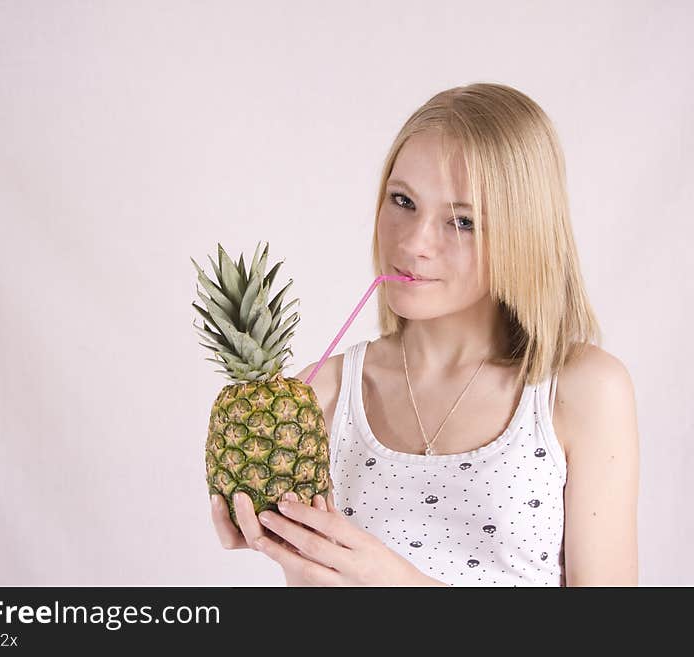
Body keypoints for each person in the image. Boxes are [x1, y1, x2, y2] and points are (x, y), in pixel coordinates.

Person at [209, 82, 640, 586]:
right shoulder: (318, 398)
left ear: (524, 233)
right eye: (402, 200)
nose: (413, 242)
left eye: (461, 220)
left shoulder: (578, 391)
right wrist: (290, 552)